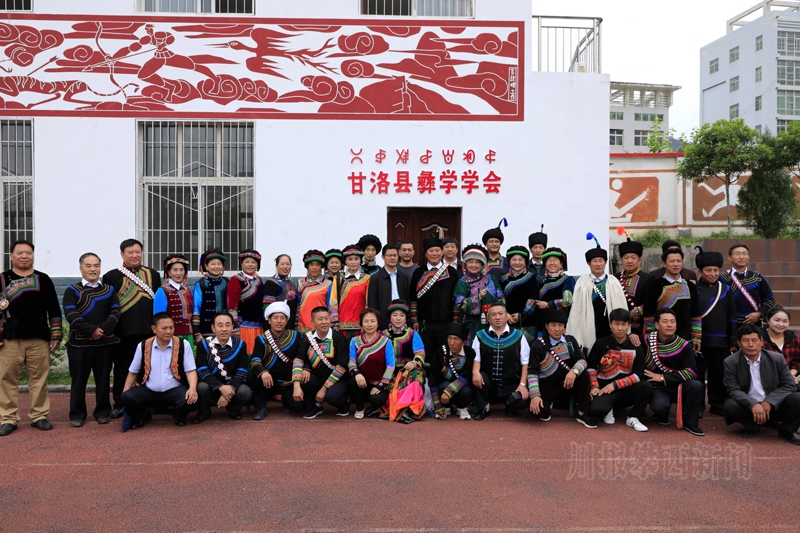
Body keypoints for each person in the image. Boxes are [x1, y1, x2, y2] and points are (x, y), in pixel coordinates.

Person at [0, 240, 62, 436]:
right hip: (9, 339)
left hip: (39, 338)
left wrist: (55, 335)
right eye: (20, 252)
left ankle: (39, 415)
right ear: (11, 256)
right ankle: (8, 418)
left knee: (39, 379)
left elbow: (54, 309)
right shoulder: (2, 279)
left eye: (28, 252)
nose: (24, 256)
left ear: (33, 255)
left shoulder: (43, 279)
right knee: (6, 379)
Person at [103, 238, 161, 419]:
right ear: (122, 254)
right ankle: (120, 402)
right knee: (122, 369)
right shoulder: (111, 276)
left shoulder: (153, 274)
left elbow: (158, 303)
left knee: (148, 368)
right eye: (130, 252)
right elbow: (108, 306)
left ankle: (148, 402)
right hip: (122, 333)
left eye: (138, 252)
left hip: (148, 331)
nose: (135, 255)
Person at [63, 253, 120, 427]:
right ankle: (77, 414)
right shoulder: (72, 290)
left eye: (96, 265)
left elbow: (116, 311)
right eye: (88, 266)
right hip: (78, 344)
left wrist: (102, 330)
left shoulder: (109, 290)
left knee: (103, 379)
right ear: (81, 268)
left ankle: (102, 412)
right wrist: (91, 331)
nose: (93, 269)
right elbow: (71, 314)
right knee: (78, 380)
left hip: (105, 342)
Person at [723, 324, 800, 444]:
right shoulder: (730, 362)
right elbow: (733, 389)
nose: (750, 345)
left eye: (754, 340)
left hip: (775, 406)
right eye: (745, 340)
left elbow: (789, 385)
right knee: (730, 405)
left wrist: (769, 401)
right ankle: (752, 427)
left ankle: (787, 430)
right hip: (749, 408)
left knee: (797, 398)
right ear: (739, 343)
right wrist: (752, 404)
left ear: (761, 341)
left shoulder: (777, 358)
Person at [119, 313, 198, 429]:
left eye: (171, 327)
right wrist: (125, 394)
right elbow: (133, 372)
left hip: (174, 390)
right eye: (164, 328)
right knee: (126, 396)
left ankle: (179, 416)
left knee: (191, 398)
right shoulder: (143, 345)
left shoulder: (183, 344)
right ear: (154, 329)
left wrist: (192, 389)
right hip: (149, 391)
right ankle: (143, 416)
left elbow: (190, 370)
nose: (168, 331)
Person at [586, 308, 653, 432]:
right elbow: (591, 366)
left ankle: (633, 417)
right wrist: (594, 386)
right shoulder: (601, 343)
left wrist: (615, 385)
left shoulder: (636, 346)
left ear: (629, 325)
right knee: (597, 410)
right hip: (605, 389)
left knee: (646, 387)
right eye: (616, 324)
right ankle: (608, 408)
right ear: (610, 324)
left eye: (624, 324)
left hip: (626, 389)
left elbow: (639, 375)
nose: (620, 328)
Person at [528, 309, 595, 428]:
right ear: (546, 326)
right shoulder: (537, 345)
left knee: (584, 374)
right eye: (553, 325)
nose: (557, 329)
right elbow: (532, 372)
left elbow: (583, 360)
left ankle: (582, 413)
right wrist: (535, 395)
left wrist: (574, 371)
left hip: (568, 383)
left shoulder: (570, 341)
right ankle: (550, 403)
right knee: (539, 413)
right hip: (547, 385)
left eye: (560, 325)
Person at [643, 308, 705, 436]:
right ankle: (660, 415)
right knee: (660, 406)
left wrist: (663, 377)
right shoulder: (646, 340)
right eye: (665, 321)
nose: (669, 325)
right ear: (656, 325)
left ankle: (690, 422)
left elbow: (692, 372)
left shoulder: (684, 345)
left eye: (672, 321)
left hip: (678, 385)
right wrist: (632, 336)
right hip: (658, 387)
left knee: (696, 385)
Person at [694, 247, 737, 415]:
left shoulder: (725, 289)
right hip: (700, 341)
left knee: (719, 373)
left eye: (715, 270)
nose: (712, 274)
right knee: (697, 374)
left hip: (721, 340)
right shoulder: (694, 289)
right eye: (708, 270)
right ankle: (697, 406)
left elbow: (732, 316)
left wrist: (733, 338)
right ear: (700, 271)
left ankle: (717, 403)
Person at [568, 234, 627, 352]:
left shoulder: (613, 281)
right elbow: (576, 310)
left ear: (605, 262)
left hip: (609, 324)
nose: (598, 264)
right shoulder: (582, 282)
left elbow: (620, 304)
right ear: (589, 263)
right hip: (589, 322)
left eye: (601, 261)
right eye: (594, 261)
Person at [471, 303, 530, 420]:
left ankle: (510, 406)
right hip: (489, 384)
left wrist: (523, 385)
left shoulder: (519, 336)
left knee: (523, 400)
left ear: (507, 315)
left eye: (500, 313)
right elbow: (476, 359)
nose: (497, 317)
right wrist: (475, 372)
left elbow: (525, 363)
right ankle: (484, 407)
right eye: (493, 314)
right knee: (478, 376)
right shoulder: (480, 336)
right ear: (488, 318)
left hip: (512, 384)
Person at [193, 312, 252, 423]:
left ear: (232, 327)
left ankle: (233, 410)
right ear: (213, 328)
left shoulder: (240, 344)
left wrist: (228, 390)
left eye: (227, 325)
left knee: (245, 391)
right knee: (201, 387)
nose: (224, 329)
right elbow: (202, 371)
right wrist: (221, 387)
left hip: (232, 386)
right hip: (211, 386)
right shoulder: (204, 345)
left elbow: (242, 372)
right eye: (220, 325)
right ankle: (204, 412)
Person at [292, 306, 350, 419]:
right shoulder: (307, 339)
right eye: (320, 319)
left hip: (338, 379)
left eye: (326, 318)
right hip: (318, 377)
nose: (324, 322)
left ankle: (345, 403)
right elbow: (299, 359)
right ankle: (316, 406)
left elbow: (341, 367)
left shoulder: (339, 339)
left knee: (332, 397)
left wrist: (324, 389)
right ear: (312, 322)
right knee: (303, 378)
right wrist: (296, 384)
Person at [249, 301, 304, 419]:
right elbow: (255, 360)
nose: (279, 321)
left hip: (289, 382)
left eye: (282, 318)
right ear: (269, 320)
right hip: (269, 382)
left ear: (286, 321)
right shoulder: (261, 339)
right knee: (252, 375)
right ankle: (261, 407)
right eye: (275, 318)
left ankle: (286, 400)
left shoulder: (296, 336)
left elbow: (301, 358)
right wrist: (263, 372)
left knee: (298, 406)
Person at [642, 247, 701, 353]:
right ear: (664, 264)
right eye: (672, 261)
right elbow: (649, 315)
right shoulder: (654, 286)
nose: (676, 264)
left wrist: (696, 337)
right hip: (662, 342)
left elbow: (695, 314)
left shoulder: (690, 286)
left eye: (679, 261)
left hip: (685, 339)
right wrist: (653, 338)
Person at [409, 234, 458, 358]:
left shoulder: (451, 271)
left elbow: (456, 298)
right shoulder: (418, 272)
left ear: (442, 253)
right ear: (426, 254)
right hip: (424, 324)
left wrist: (455, 321)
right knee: (426, 355)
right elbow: (413, 298)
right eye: (431, 251)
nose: (434, 253)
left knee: (444, 356)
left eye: (437, 250)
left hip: (446, 323)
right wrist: (414, 319)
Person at [383, 299, 426, 423]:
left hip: (408, 371)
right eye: (395, 315)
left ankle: (410, 409)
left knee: (416, 376)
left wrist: (414, 362)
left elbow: (420, 353)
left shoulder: (413, 334)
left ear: (406, 318)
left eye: (402, 315)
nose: (398, 318)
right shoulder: (383, 335)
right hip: (389, 373)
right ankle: (400, 409)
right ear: (390, 317)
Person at [348, 308, 394, 419]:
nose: (369, 324)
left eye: (372, 321)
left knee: (376, 399)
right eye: (366, 321)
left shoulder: (386, 341)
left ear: (378, 323)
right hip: (362, 381)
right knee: (352, 382)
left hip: (380, 382)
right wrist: (356, 373)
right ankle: (360, 407)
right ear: (361, 323)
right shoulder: (354, 341)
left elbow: (390, 366)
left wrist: (381, 385)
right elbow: (351, 361)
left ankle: (374, 404)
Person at [454, 243, 505, 341]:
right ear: (465, 264)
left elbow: (501, 298)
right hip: (472, 324)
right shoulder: (462, 282)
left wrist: (494, 313)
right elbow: (460, 305)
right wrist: (478, 298)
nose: (473, 265)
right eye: (470, 262)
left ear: (482, 264)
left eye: (477, 262)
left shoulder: (491, 278)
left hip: (492, 321)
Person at [429, 322, 476, 420]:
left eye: (456, 339)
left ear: (463, 342)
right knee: (444, 385)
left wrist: (448, 392)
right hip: (443, 392)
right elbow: (433, 379)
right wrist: (437, 406)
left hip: (461, 390)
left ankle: (461, 407)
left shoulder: (470, 353)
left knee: (467, 391)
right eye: (449, 338)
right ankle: (446, 407)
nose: (452, 343)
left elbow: (467, 376)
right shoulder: (439, 353)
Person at [720, 244, 776, 326]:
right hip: (729, 324)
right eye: (737, 254)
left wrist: (759, 314)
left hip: (754, 324)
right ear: (729, 258)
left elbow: (769, 299)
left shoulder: (757, 277)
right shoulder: (722, 278)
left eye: (744, 254)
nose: (741, 257)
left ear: (748, 257)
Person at [614, 229, 654, 336]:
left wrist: (632, 314)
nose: (629, 261)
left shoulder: (649, 279)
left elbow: (652, 302)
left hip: (640, 327)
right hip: (618, 326)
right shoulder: (615, 278)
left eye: (633, 258)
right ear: (621, 260)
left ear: (639, 260)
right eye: (626, 258)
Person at [226, 249, 265, 353]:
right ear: (241, 263)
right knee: (246, 353)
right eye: (247, 262)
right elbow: (231, 305)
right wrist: (235, 327)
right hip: (243, 327)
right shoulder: (236, 280)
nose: (250, 265)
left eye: (253, 262)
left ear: (257, 264)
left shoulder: (258, 279)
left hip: (259, 325)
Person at [153, 254, 193, 351]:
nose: (178, 273)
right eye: (175, 270)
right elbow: (159, 317)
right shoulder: (162, 291)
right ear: (169, 272)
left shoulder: (188, 291)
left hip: (188, 334)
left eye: (181, 270)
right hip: (169, 335)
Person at [500, 246, 540, 338]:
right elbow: (500, 298)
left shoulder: (532, 278)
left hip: (528, 323)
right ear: (509, 261)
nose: (517, 262)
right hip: (507, 321)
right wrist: (505, 314)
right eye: (514, 259)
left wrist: (520, 316)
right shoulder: (503, 279)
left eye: (520, 260)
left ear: (525, 261)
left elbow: (534, 300)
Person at [367, 244, 410, 330]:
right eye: (389, 255)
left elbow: (407, 299)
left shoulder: (403, 277)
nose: (392, 258)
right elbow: (372, 303)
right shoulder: (376, 278)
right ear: (383, 257)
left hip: (401, 319)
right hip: (383, 319)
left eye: (395, 255)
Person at [295, 250, 338, 334]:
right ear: (307, 266)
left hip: (322, 324)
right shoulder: (300, 283)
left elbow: (331, 305)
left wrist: (333, 323)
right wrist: (296, 323)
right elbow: (297, 305)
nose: (314, 268)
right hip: (303, 324)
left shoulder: (328, 284)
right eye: (311, 265)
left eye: (317, 265)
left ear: (321, 267)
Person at [191, 248, 228, 342]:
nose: (216, 266)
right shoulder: (200, 284)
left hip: (225, 329)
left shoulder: (226, 282)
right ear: (206, 266)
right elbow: (196, 309)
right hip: (205, 329)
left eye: (219, 264)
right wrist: (196, 333)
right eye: (213, 264)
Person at [535, 247, 574, 332]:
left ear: (561, 264)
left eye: (555, 260)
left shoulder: (567, 280)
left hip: (560, 325)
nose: (552, 263)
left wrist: (547, 305)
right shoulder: (541, 281)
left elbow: (567, 301)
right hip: (542, 324)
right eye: (549, 260)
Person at [337, 245, 371, 340]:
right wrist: (334, 323)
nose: (353, 262)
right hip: (342, 324)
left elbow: (367, 303)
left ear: (360, 260)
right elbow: (333, 301)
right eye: (350, 259)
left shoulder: (367, 279)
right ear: (345, 261)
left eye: (356, 259)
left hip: (360, 324)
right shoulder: (338, 278)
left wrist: (366, 322)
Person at [762, 307, 800, 387]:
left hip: (788, 380)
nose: (781, 324)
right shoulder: (759, 338)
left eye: (785, 321)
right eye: (777, 320)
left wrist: (789, 375)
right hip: (765, 381)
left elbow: (798, 361)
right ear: (768, 320)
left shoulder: (794, 338)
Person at [263, 254, 298, 329]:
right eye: (282, 264)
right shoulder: (271, 283)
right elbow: (267, 309)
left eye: (287, 264)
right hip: (276, 327)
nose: (285, 267)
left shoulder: (291, 283)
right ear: (276, 266)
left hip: (290, 325)